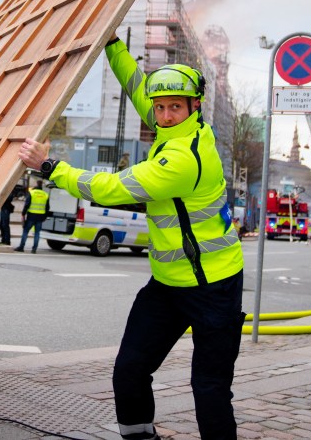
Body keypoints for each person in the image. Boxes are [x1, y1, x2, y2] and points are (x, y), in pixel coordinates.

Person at [19, 36, 244, 440]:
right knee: (130, 369)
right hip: (168, 285)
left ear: (195, 106)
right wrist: (111, 42)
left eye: (175, 106)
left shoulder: (185, 157)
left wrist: (51, 167)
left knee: (209, 389)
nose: (165, 114)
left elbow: (111, 188)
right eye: (160, 107)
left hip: (214, 286)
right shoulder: (168, 125)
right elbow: (136, 83)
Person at [13, 180, 49, 253]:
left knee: (25, 231)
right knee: (37, 233)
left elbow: (27, 205)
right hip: (40, 217)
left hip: (31, 216)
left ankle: (21, 247)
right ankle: (34, 249)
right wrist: (45, 217)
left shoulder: (32, 193)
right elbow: (47, 207)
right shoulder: (46, 194)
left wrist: (23, 214)